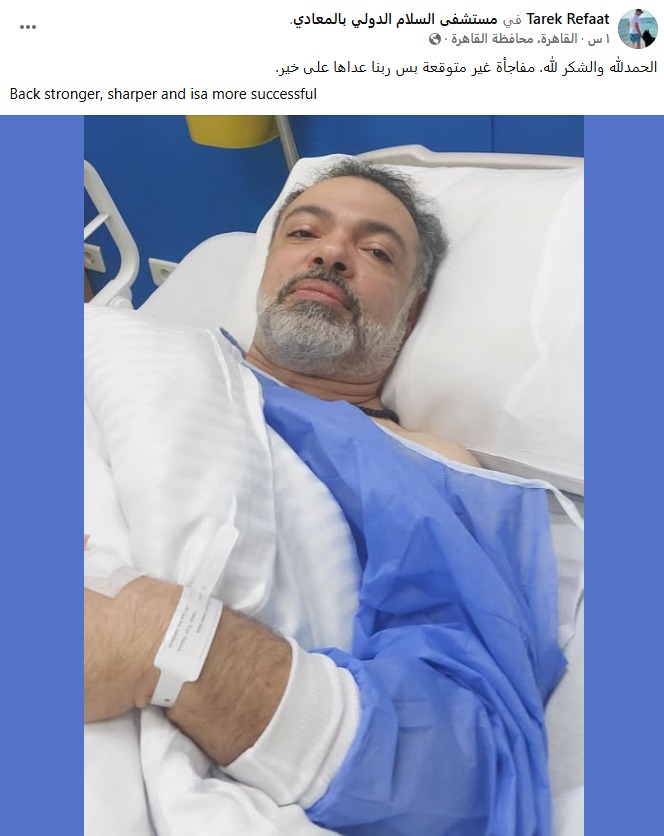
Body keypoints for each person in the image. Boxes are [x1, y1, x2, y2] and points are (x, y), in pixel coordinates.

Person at [85, 160, 565, 835]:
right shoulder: (121, 345)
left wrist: (167, 643)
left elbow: (468, 760)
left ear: (412, 309)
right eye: (304, 232)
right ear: (265, 271)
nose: (331, 253)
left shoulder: (422, 465)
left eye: (377, 252)